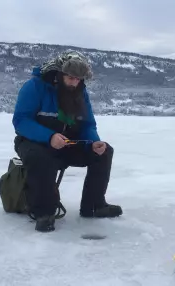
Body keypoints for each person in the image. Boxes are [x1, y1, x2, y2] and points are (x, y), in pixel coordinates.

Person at [12, 50, 122, 232]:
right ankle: (44, 213)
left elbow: (87, 124)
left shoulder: (80, 92)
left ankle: (94, 206)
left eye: (78, 79)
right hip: (33, 143)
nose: (74, 82)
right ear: (60, 74)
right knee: (41, 158)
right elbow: (21, 121)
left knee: (104, 152)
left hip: (67, 143)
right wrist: (48, 136)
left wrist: (94, 142)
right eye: (71, 78)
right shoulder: (35, 86)